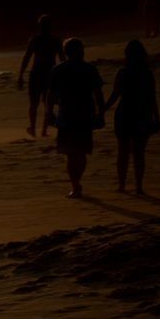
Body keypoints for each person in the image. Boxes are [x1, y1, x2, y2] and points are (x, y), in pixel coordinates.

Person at [45, 38, 104, 199]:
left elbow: (51, 95)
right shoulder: (88, 69)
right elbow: (98, 94)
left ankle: (75, 185)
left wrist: (49, 113)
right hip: (83, 115)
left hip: (68, 115)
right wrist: (101, 114)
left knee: (73, 153)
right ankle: (76, 184)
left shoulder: (60, 69)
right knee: (80, 152)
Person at [104, 40, 160, 194]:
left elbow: (115, 95)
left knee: (122, 152)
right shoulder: (147, 74)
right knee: (139, 153)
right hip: (141, 114)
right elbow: (151, 98)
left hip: (124, 114)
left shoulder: (122, 73)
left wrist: (103, 109)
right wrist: (157, 117)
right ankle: (138, 186)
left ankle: (122, 185)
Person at [17, 14, 65, 137]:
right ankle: (43, 130)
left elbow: (27, 57)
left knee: (35, 103)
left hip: (37, 73)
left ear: (40, 26)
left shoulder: (35, 39)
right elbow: (62, 59)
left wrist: (21, 75)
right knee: (47, 102)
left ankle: (33, 128)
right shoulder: (55, 40)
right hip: (50, 73)